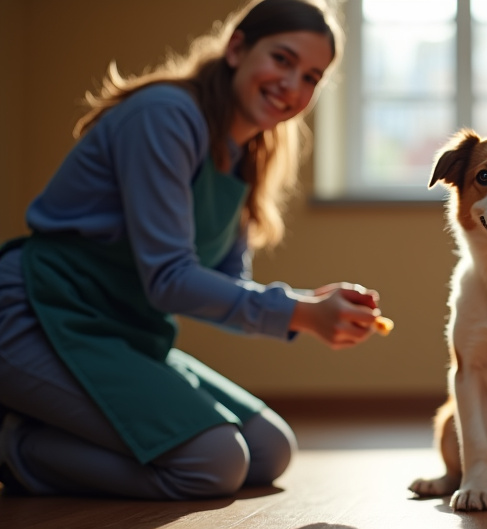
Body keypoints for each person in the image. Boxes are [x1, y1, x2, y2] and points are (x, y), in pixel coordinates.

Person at [0, 0, 383, 499]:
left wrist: (310, 305)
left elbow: (222, 286)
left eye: (311, 77)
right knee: (212, 463)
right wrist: (301, 315)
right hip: (36, 312)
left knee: (270, 450)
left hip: (122, 332)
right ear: (237, 48)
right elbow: (170, 280)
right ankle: (15, 446)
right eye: (282, 60)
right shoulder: (166, 116)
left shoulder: (247, 156)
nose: (293, 85)